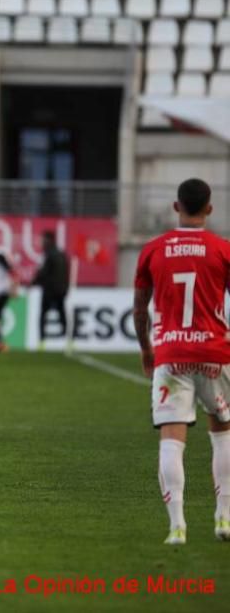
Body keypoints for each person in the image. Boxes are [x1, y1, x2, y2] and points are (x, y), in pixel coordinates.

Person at [133, 178, 230, 545]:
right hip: (215, 356)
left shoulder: (153, 250)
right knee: (223, 433)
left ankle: (177, 525)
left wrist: (146, 349)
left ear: (177, 207)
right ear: (209, 208)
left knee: (172, 440)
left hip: (171, 355)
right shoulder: (223, 250)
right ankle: (224, 519)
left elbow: (140, 308)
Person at [31, 230, 70, 346]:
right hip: (61, 289)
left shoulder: (48, 254)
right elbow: (66, 273)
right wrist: (65, 287)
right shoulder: (62, 254)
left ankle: (42, 341)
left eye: (43, 240)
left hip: (49, 290)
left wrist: (33, 283)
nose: (42, 242)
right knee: (62, 313)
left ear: (48, 240)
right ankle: (68, 339)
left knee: (43, 314)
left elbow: (43, 272)